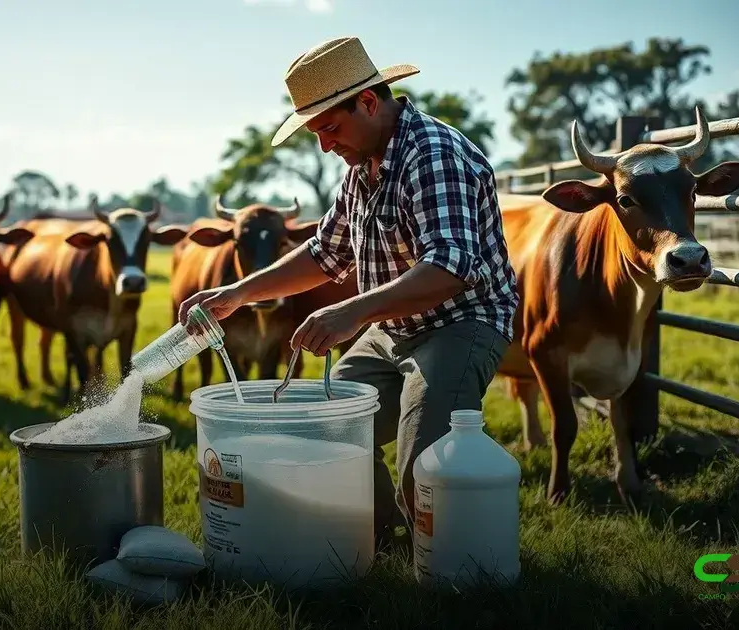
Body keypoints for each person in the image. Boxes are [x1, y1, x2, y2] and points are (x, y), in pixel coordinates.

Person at [178, 36, 519, 548]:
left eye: (330, 128)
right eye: (315, 133)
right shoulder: (361, 168)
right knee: (318, 428)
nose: (325, 145)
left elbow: (449, 269)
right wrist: (238, 294)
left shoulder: (434, 156)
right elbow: (324, 253)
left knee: (421, 463)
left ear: (368, 102)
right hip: (393, 327)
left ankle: (453, 573)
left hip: (459, 323)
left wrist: (351, 311)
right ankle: (383, 543)